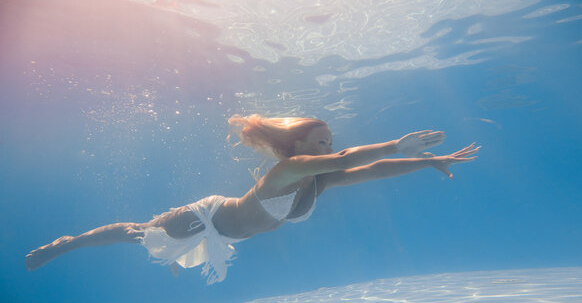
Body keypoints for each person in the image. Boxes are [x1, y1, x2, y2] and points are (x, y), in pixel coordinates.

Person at [25, 114, 480, 283]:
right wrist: (396, 144)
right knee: (137, 234)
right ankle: (69, 242)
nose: (328, 149)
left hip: (230, 234)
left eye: (329, 141)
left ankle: (72, 241)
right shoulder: (286, 171)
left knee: (140, 236)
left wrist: (428, 162)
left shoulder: (317, 180)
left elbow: (370, 170)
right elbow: (349, 159)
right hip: (205, 219)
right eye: (320, 143)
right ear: (297, 149)